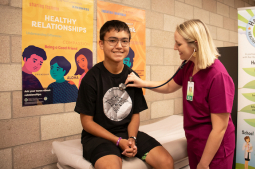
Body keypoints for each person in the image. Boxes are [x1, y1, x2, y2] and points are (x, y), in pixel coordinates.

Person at [125, 19, 235, 169]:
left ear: (195, 44)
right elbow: (170, 86)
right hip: (194, 142)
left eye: (179, 43)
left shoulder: (218, 76)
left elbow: (219, 128)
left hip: (214, 150)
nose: (175, 47)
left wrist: (204, 163)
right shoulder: (189, 65)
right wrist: (143, 83)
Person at [74, 20, 173, 169]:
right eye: (112, 41)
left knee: (166, 162)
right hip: (99, 136)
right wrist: (118, 141)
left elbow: (135, 113)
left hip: (127, 133)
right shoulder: (91, 78)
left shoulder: (132, 76)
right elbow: (87, 122)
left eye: (124, 41)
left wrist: (132, 138)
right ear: (101, 44)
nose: (119, 46)